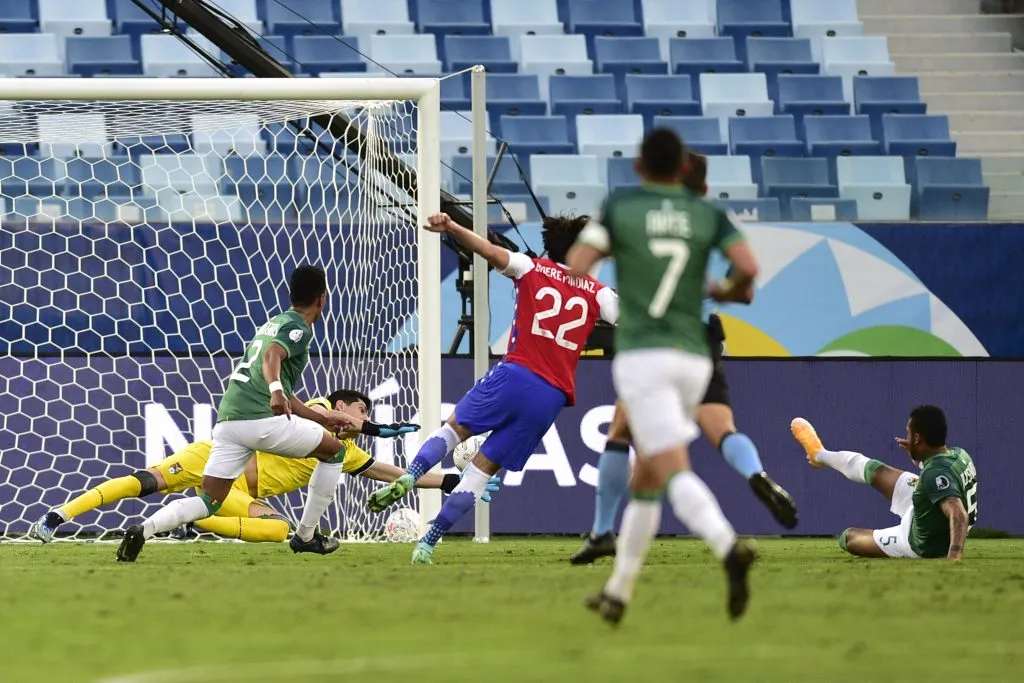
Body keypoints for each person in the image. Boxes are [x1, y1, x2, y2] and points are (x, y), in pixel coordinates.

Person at [567, 129, 760, 625]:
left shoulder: (622, 207)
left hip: (644, 355)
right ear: (683, 170)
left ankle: (728, 546)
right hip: (695, 358)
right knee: (648, 480)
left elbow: (578, 263)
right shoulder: (706, 214)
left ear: (639, 167)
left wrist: (629, 257)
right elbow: (748, 269)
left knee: (670, 468)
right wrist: (722, 289)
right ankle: (618, 594)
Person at [115, 265, 417, 562]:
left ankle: (145, 528)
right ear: (322, 298)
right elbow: (273, 355)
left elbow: (284, 389)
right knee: (335, 451)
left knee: (209, 501)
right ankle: (307, 536)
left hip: (229, 423)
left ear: (290, 293)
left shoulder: (273, 322)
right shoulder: (299, 327)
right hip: (259, 420)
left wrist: (322, 418)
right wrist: (274, 389)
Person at [365, 213, 619, 564]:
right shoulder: (599, 292)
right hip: (551, 397)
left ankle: (410, 476)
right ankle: (428, 542)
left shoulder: (532, 268)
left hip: (515, 374)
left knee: (452, 431)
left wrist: (452, 227)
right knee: (481, 473)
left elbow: (488, 249)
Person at [31, 390, 498, 544]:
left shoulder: (343, 451)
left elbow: (394, 475)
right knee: (142, 481)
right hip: (214, 458)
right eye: (359, 411)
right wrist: (369, 428)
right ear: (341, 406)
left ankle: (184, 519)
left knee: (280, 532)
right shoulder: (315, 410)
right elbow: (317, 414)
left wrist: (459, 478)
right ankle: (57, 517)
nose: (363, 419)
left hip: (239, 493)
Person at [790, 405, 976, 560]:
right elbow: (941, 476)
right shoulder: (959, 454)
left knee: (848, 538)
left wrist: (954, 557)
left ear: (918, 438)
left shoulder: (934, 473)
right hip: (928, 507)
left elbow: (958, 514)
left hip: (920, 541)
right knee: (874, 470)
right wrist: (919, 455)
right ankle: (819, 454)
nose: (908, 438)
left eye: (910, 434)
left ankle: (820, 455)